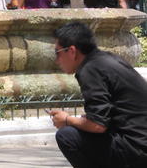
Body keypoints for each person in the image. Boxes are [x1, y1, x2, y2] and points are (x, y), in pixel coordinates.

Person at [49, 21, 147, 167]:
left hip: (136, 149)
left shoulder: (90, 69)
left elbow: (97, 125)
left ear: (72, 51)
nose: (56, 60)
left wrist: (67, 119)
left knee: (67, 136)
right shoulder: (106, 60)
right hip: (139, 142)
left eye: (57, 53)